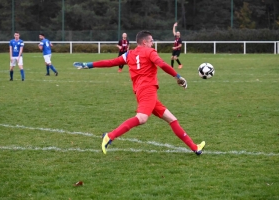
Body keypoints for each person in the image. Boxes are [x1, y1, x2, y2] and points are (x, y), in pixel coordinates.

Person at [73, 30, 205, 156]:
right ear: (144, 42)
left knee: (172, 119)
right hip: (148, 90)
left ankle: (195, 148)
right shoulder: (150, 52)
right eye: (151, 41)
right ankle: (110, 136)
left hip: (140, 91)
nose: (152, 43)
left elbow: (110, 62)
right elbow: (162, 64)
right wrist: (178, 76)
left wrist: (88, 64)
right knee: (142, 118)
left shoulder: (129, 54)